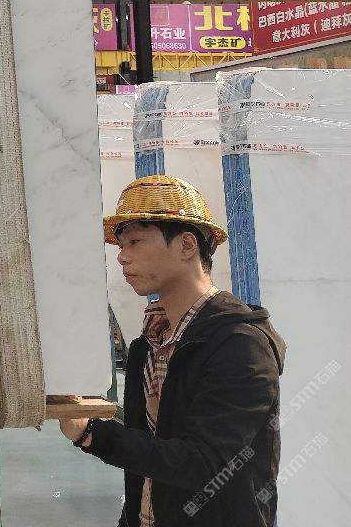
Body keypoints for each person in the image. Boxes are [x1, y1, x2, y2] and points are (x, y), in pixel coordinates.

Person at [60, 174, 285, 527]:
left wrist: (92, 433)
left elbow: (203, 463)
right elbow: (147, 471)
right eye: (121, 245)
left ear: (186, 245)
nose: (122, 257)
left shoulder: (241, 344)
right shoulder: (147, 345)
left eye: (135, 242)